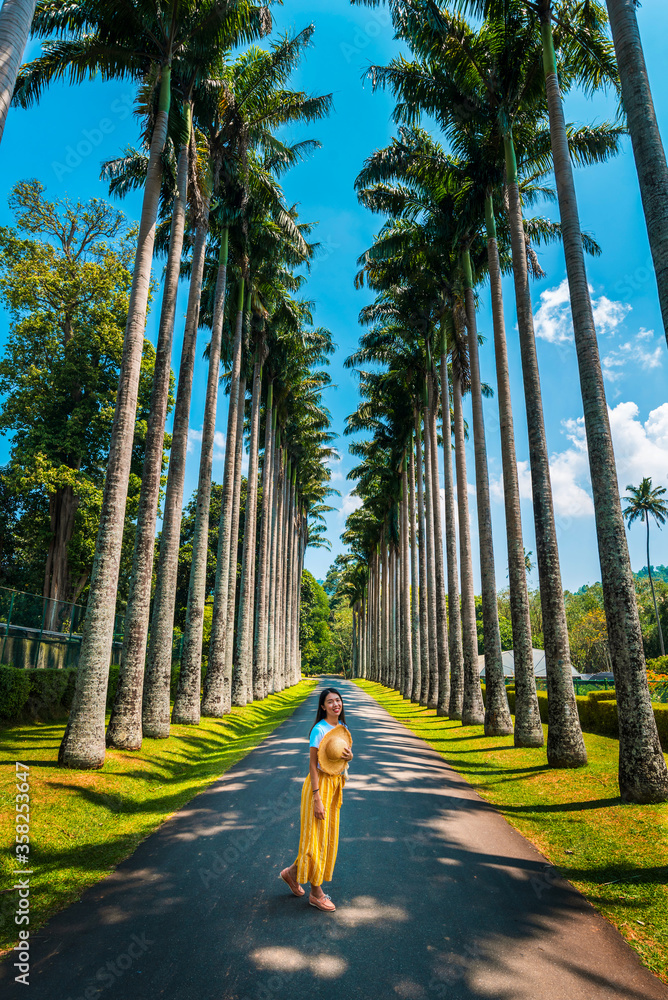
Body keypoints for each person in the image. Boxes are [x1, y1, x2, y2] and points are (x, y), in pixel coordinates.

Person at [280, 687, 353, 911]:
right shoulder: (318, 730)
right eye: (330, 702)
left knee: (326, 838)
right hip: (318, 786)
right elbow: (313, 765)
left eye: (338, 701)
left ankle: (291, 873)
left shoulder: (343, 728)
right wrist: (316, 798)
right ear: (323, 707)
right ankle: (316, 893)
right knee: (314, 840)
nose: (335, 705)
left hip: (334, 786)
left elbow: (341, 760)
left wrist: (351, 757)